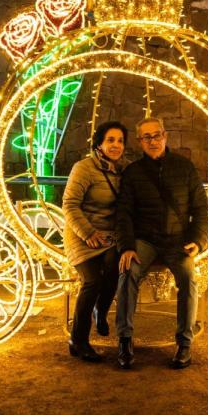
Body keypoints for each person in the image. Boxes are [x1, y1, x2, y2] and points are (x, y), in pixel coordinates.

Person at [114, 117, 208, 369]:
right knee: (128, 271)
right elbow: (123, 213)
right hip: (145, 240)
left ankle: (184, 343)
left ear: (165, 136)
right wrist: (126, 247)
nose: (153, 141)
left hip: (177, 240)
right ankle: (124, 340)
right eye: (147, 137)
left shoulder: (184, 168)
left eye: (156, 135)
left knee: (189, 278)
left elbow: (201, 209)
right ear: (140, 141)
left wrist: (198, 241)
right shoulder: (133, 173)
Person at [62, 120, 128, 362]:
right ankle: (78, 340)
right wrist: (88, 233)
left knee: (115, 267)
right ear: (99, 143)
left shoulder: (124, 170)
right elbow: (69, 205)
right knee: (92, 281)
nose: (116, 145)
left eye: (120, 141)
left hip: (109, 236)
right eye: (110, 140)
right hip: (82, 235)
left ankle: (101, 311)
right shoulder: (84, 168)